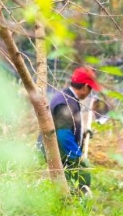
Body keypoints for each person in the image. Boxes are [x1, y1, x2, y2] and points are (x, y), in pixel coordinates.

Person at [44, 67, 102, 196]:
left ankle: (71, 205)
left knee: (70, 185)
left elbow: (68, 125)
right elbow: (63, 135)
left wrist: (82, 132)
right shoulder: (65, 103)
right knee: (82, 180)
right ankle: (77, 207)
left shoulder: (67, 97)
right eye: (90, 89)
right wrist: (78, 157)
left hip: (62, 152)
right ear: (86, 87)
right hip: (63, 154)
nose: (90, 92)